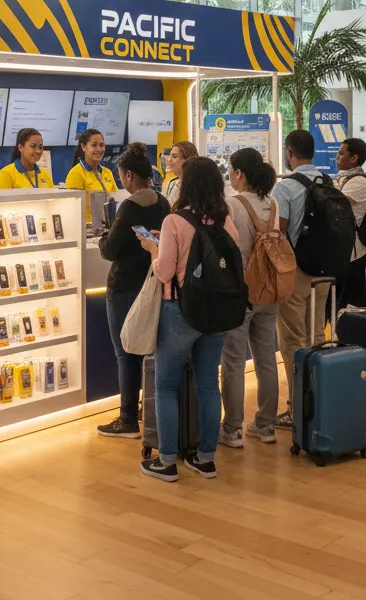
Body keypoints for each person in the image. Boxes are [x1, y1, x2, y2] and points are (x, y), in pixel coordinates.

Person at [138, 156, 238, 481]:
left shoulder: (174, 221)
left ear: (186, 184)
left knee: (166, 386)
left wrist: (154, 251)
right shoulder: (226, 218)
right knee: (209, 383)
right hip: (217, 311)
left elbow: (165, 271)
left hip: (179, 311)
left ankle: (166, 461)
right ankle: (205, 458)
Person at [95, 142, 170, 438]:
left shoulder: (129, 206)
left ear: (127, 175)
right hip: (151, 283)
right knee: (147, 349)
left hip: (125, 286)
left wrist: (103, 238)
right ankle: (145, 409)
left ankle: (127, 419)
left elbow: (110, 249)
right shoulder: (162, 201)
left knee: (125, 351)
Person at [220, 147, 280, 448]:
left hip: (240, 291)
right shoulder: (273, 203)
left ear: (239, 173)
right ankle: (266, 425)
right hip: (269, 290)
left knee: (232, 360)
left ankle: (232, 429)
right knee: (266, 357)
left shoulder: (232, 205)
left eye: (231, 169)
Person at [270, 129, 330, 429]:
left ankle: (297, 408)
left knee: (293, 339)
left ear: (288, 152)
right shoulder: (327, 182)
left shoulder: (286, 188)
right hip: (324, 272)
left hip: (296, 272)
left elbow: (277, 234)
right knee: (317, 335)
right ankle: (320, 400)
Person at [333, 138, 366, 311]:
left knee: (353, 302)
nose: (337, 156)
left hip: (354, 251)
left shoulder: (359, 182)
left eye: (342, 153)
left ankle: (358, 336)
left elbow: (336, 206)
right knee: (341, 300)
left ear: (354, 158)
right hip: (343, 249)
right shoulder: (342, 178)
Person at [65, 128, 118, 224]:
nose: (99, 149)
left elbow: (115, 199)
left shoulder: (107, 172)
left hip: (108, 226)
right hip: (87, 229)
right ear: (83, 147)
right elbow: (74, 210)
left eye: (102, 145)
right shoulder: (76, 174)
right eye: (94, 145)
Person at [164, 141, 198, 206]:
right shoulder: (171, 183)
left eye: (174, 156)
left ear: (188, 160)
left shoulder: (197, 186)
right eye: (169, 155)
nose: (169, 160)